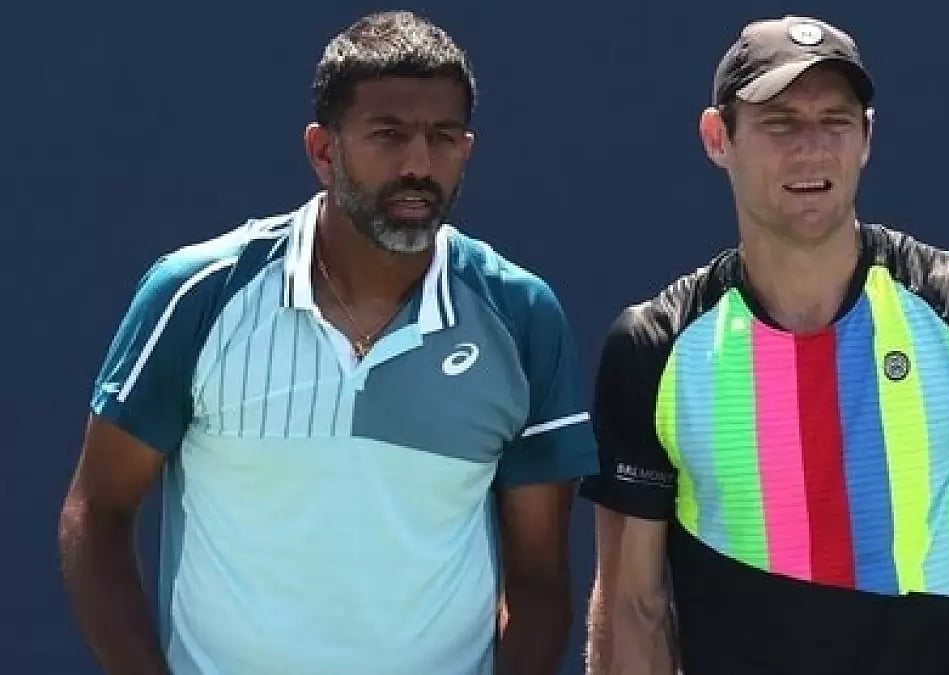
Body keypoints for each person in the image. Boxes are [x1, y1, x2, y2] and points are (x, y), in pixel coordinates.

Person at [58, 11, 596, 675]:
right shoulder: (197, 295)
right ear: (323, 151)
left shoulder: (522, 316)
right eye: (388, 135)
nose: (419, 164)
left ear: (467, 149)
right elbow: (97, 512)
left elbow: (539, 583)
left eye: (442, 137)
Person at [580, 15, 949, 675]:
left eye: (835, 122)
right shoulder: (654, 348)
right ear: (719, 138)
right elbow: (632, 604)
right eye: (780, 123)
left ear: (867, 138)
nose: (812, 150)